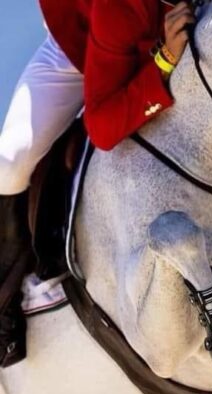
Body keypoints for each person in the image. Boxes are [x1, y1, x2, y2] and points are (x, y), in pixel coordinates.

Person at [0, 0, 197, 367]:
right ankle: (5, 303)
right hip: (85, 47)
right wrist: (165, 61)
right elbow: (103, 127)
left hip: (157, 39)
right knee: (10, 163)